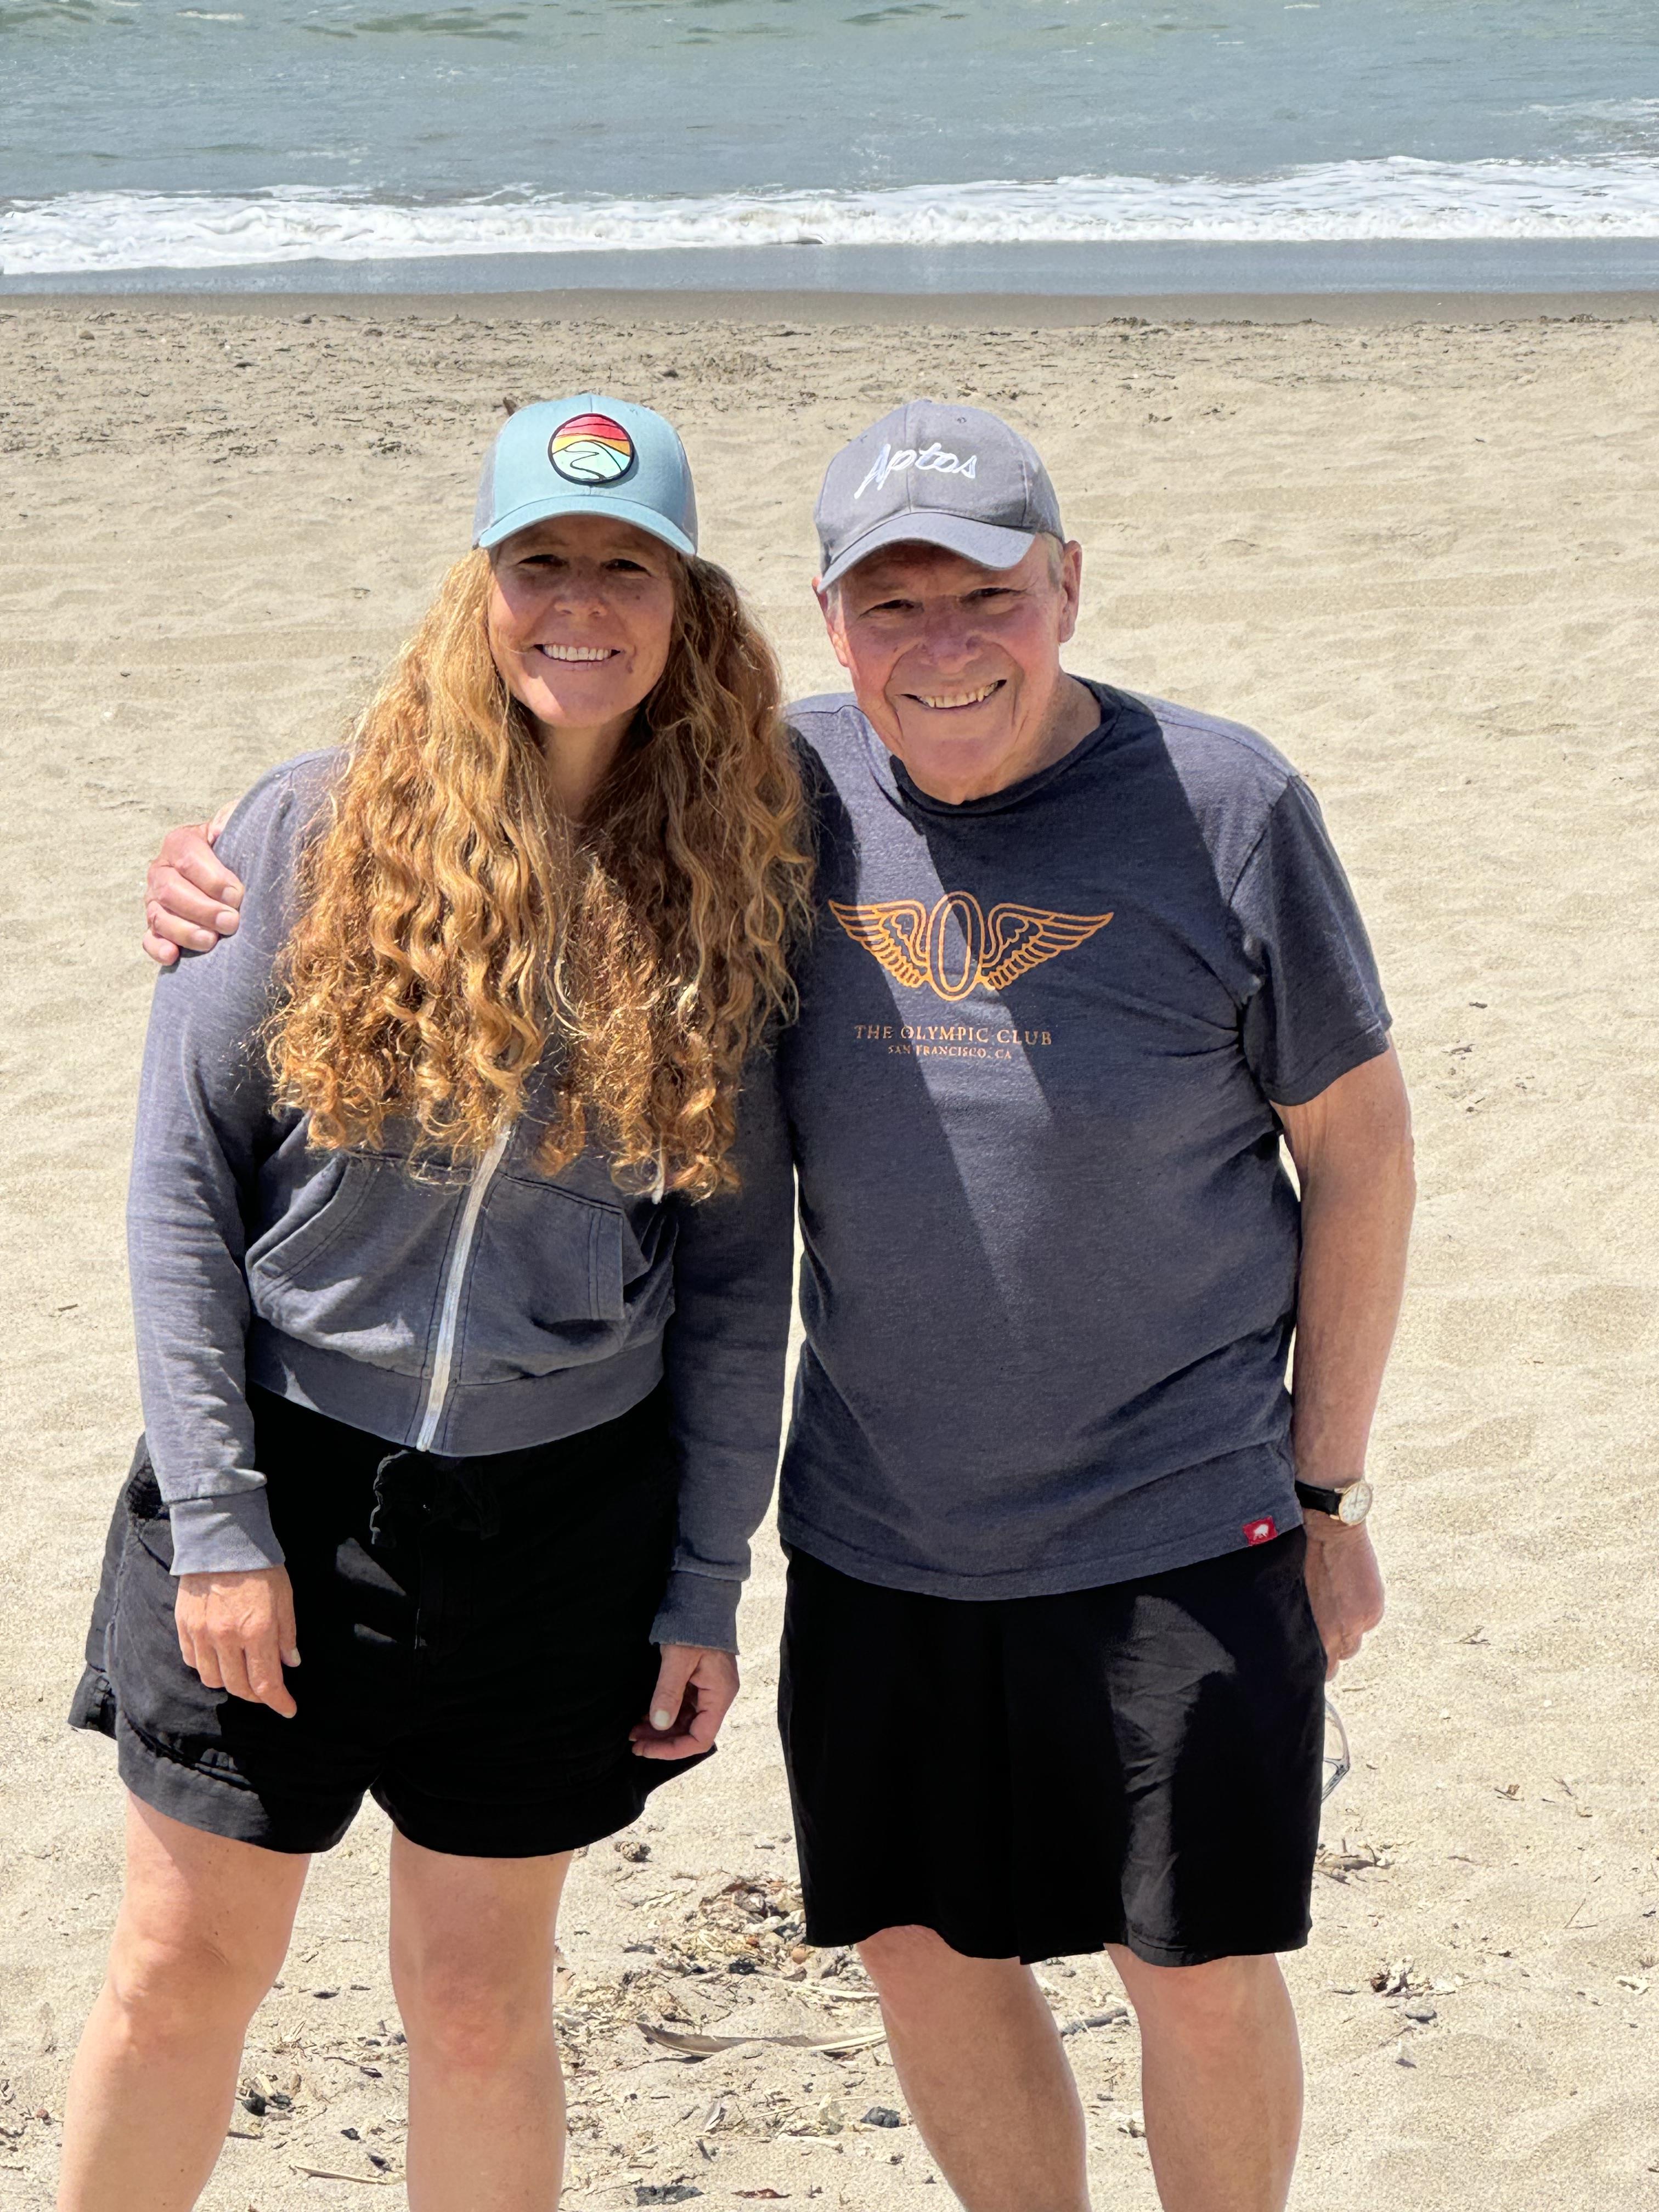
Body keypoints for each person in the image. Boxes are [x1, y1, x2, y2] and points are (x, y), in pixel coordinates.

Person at [141, 399, 1414, 2212]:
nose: (945, 647)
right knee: (918, 1948)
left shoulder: (1224, 805)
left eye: (987, 596)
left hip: (1182, 1514)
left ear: (1067, 588)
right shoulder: (776, 797)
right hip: (882, 1529)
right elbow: (484, 794)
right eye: (894, 607)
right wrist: (215, 862)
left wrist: (1333, 1490)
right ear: (827, 621)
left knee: (1195, 1970)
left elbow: (1362, 1156)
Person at [64, 394, 809, 2212]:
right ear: (476, 593)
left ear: (688, 607)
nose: (580, 603)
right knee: (179, 1981)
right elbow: (177, 1192)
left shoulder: (733, 884)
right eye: (538, 562)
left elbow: (734, 1284)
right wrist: (225, 1527)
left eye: (625, 565)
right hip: (282, 1496)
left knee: (479, 2009)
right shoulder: (311, 827)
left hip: (564, 1529)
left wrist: (706, 1578)